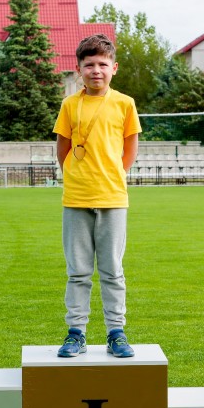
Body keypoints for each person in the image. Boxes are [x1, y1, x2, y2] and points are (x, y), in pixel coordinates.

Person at [52, 34, 142, 358]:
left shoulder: (124, 103)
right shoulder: (69, 105)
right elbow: (62, 148)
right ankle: (76, 333)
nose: (96, 70)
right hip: (76, 200)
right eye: (89, 65)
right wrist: (78, 178)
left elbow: (130, 146)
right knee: (77, 271)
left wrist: (113, 175)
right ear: (79, 70)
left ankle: (116, 332)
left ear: (114, 68)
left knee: (112, 271)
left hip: (114, 199)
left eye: (102, 64)